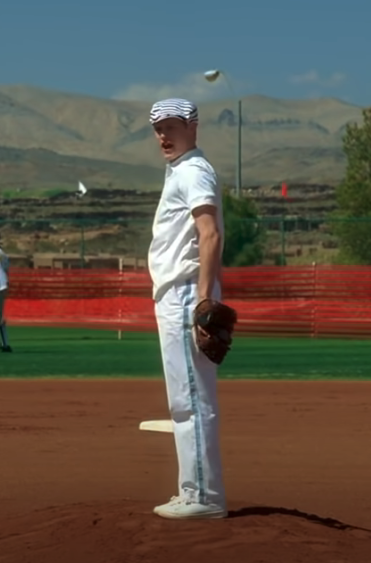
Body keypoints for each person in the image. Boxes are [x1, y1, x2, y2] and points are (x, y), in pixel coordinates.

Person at [146, 97, 227, 520]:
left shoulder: (193, 171)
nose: (163, 134)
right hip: (174, 294)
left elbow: (209, 234)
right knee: (184, 400)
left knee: (192, 399)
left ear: (192, 128)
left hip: (184, 294)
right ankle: (191, 490)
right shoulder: (180, 171)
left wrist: (202, 298)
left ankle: (205, 497)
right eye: (158, 127)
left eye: (172, 126)